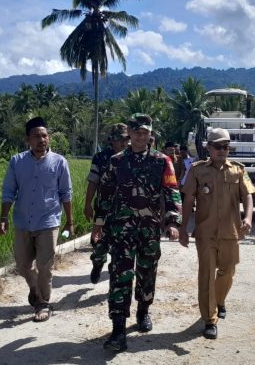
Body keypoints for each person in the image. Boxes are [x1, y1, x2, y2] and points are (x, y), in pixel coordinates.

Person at [99, 113, 182, 352]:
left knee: (147, 271)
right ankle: (118, 328)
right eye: (136, 132)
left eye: (145, 132)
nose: (140, 136)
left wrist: (172, 221)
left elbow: (171, 191)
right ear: (129, 135)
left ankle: (143, 310)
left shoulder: (161, 161)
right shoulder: (116, 161)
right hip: (121, 229)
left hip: (149, 228)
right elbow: (105, 193)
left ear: (150, 135)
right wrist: (99, 223)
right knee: (119, 274)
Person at [179, 128, 255, 340]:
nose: (223, 150)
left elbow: (248, 196)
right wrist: (184, 228)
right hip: (205, 233)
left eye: (226, 147)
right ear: (209, 148)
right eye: (218, 146)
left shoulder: (238, 170)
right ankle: (210, 320)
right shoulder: (197, 171)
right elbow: (187, 201)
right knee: (206, 276)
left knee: (227, 272)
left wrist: (247, 218)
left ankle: (219, 299)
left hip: (230, 232)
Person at [0, 116, 73, 323]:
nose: (42, 139)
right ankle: (33, 287)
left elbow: (66, 193)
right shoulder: (17, 162)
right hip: (23, 221)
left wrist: (70, 221)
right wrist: (3, 217)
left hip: (49, 221)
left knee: (44, 266)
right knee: (22, 264)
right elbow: (8, 191)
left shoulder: (59, 162)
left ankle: (43, 303)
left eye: (44, 135)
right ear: (27, 140)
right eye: (36, 136)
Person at [84, 123, 130, 284]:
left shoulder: (133, 157)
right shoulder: (101, 157)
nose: (124, 143)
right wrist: (87, 204)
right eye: (120, 139)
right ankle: (98, 263)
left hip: (126, 212)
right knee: (99, 245)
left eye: (126, 139)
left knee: (122, 249)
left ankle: (115, 268)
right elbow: (93, 182)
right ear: (112, 141)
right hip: (103, 210)